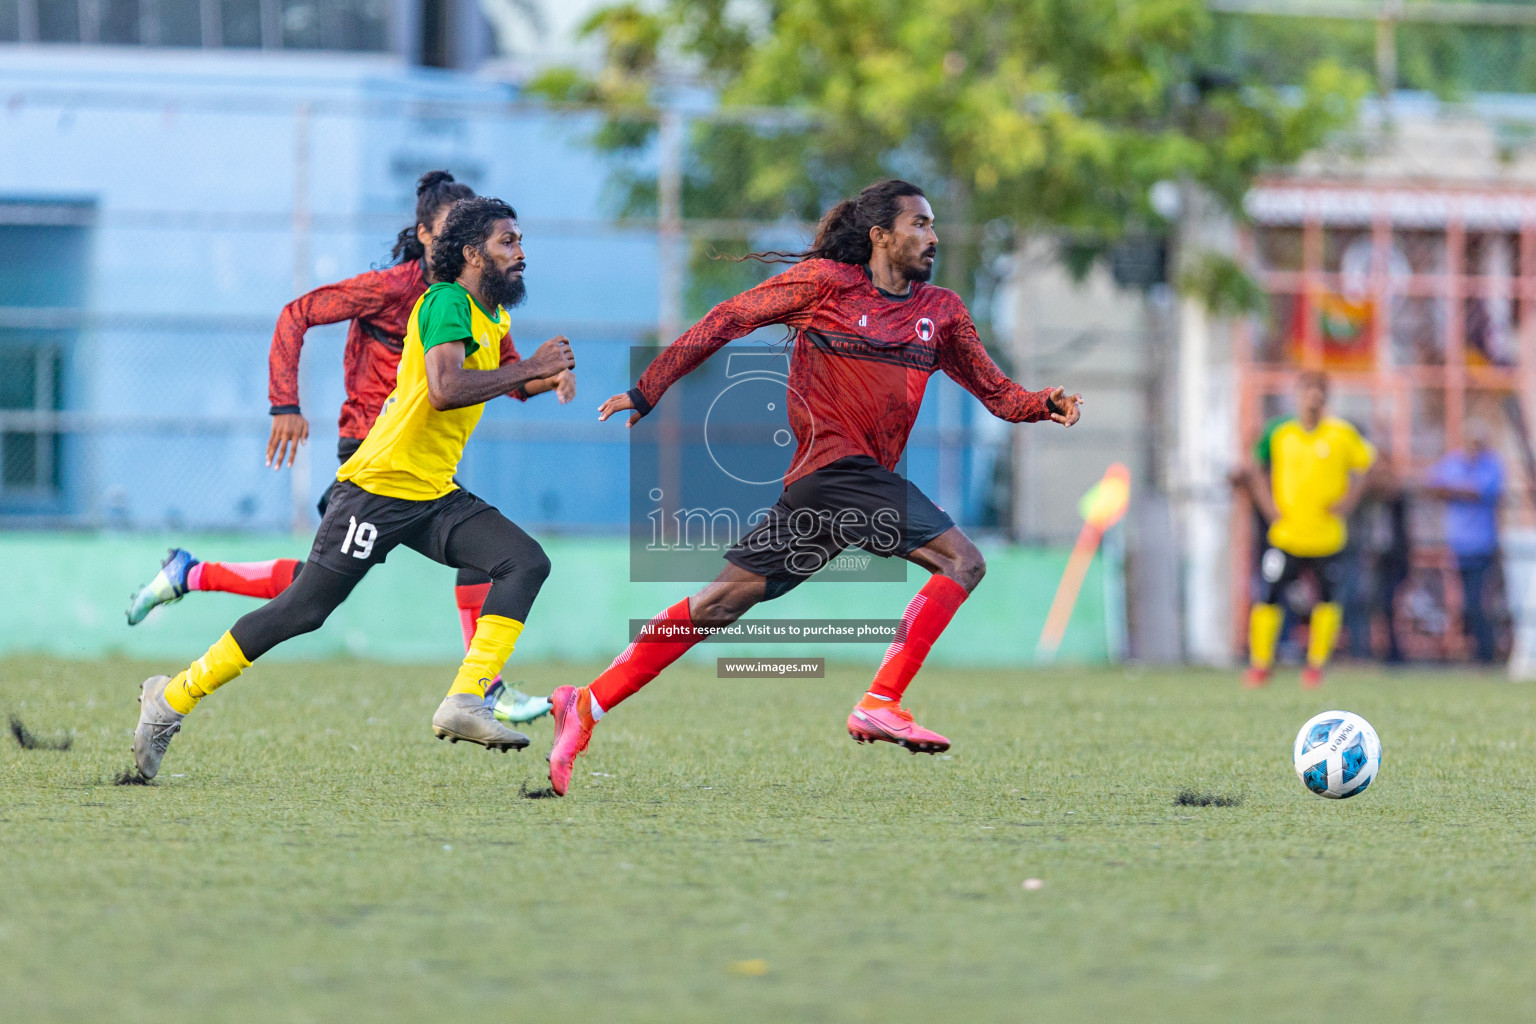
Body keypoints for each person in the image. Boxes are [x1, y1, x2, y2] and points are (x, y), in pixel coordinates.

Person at [541, 178, 1083, 797]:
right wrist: (649, 386)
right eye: (920, 225)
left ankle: (586, 703)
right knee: (963, 561)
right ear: (880, 235)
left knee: (720, 603)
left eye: (934, 225)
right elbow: (726, 319)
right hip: (834, 472)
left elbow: (997, 393)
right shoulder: (825, 284)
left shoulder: (944, 313)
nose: (933, 237)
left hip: (828, 490)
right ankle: (881, 699)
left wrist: (1043, 403)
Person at [130, 197, 577, 780]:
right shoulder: (445, 300)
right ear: (471, 254)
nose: (521, 253)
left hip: (431, 493)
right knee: (303, 609)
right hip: (378, 487)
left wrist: (544, 376)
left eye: (520, 241)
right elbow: (444, 388)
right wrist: (529, 368)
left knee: (523, 561)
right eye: (508, 242)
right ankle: (170, 701)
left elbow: (487, 382)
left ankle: (466, 700)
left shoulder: (492, 318)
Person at [1243, 371, 1375, 689]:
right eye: (1308, 390)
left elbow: (1368, 468)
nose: (1313, 397)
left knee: (1327, 601)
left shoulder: (1342, 434)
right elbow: (1255, 466)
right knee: (1268, 597)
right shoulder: (1280, 431)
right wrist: (1267, 505)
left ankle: (1316, 667)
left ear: (1327, 397)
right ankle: (1261, 665)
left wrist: (1350, 500)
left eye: (1320, 391)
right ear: (1298, 394)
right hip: (1286, 534)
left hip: (1326, 536)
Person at [1425, 419, 1505, 663]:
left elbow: (1479, 492)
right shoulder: (1454, 461)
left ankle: (1486, 655)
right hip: (1457, 545)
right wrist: (1461, 490)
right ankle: (1476, 653)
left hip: (1482, 546)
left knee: (1478, 603)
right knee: (1463, 604)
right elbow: (1431, 485)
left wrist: (1453, 490)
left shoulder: (1492, 465)